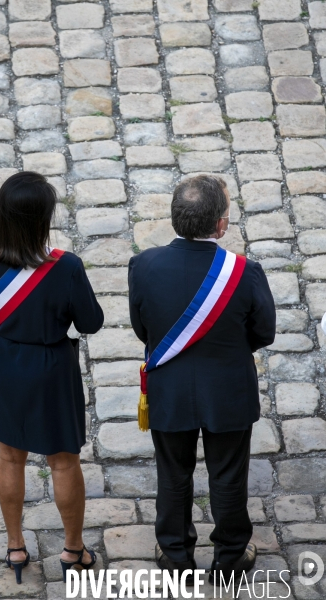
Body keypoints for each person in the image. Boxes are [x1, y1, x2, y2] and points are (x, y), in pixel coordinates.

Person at [128, 175, 276, 586]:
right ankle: (230, 556)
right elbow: (263, 333)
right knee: (228, 474)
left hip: (169, 390)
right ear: (221, 225)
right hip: (227, 390)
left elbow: (144, 329)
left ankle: (175, 554)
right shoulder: (245, 272)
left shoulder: (144, 265)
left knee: (173, 472)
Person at [0, 171, 104, 584]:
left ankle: (15, 547)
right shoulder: (67, 268)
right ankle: (73, 550)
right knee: (63, 462)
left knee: (9, 456)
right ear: (45, 217)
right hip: (49, 368)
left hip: (1, 362)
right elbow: (91, 322)